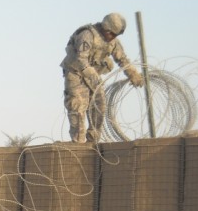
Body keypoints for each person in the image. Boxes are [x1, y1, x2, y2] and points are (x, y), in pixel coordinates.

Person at [60, 12, 144, 143]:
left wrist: (133, 74)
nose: (112, 37)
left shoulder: (113, 42)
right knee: (78, 108)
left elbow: (122, 59)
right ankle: (79, 144)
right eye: (111, 34)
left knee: (99, 106)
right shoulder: (87, 34)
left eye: (115, 35)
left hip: (94, 77)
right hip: (76, 73)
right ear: (106, 28)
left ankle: (92, 142)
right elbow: (81, 59)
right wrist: (91, 73)